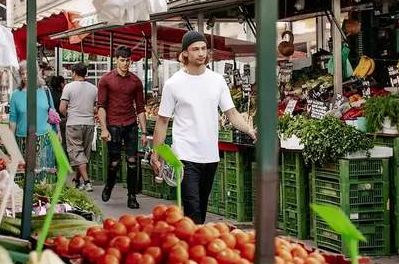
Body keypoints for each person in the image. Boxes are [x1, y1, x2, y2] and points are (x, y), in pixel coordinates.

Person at [151, 31, 255, 225]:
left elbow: (231, 113)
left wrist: (250, 131)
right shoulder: (173, 84)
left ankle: (190, 242)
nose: (201, 53)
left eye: (203, 48)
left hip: (210, 155)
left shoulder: (217, 81)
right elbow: (162, 121)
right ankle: (192, 249)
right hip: (184, 155)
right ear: (185, 54)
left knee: (202, 205)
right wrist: (156, 152)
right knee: (193, 208)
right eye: (195, 49)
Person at [97, 46, 146, 209]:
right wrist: (104, 128)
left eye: (128, 61)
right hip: (113, 125)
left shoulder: (136, 81)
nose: (125, 64)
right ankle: (109, 185)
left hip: (131, 124)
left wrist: (144, 132)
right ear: (116, 60)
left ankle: (132, 196)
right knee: (114, 162)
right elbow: (101, 106)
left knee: (132, 161)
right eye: (122, 60)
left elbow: (140, 108)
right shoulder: (106, 80)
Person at [59, 62, 98, 191]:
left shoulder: (68, 87)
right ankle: (77, 180)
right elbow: (98, 109)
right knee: (83, 154)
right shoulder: (94, 88)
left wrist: (70, 114)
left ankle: (87, 182)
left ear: (74, 73)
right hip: (89, 124)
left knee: (76, 153)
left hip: (74, 124)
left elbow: (62, 108)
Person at [9, 74, 54, 177]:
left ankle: (41, 191)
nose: (25, 76)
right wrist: (11, 145)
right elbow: (12, 120)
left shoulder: (45, 91)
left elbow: (52, 113)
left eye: (27, 72)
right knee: (25, 175)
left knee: (43, 175)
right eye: (22, 73)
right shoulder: (16, 95)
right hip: (23, 140)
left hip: (44, 139)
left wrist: (58, 131)